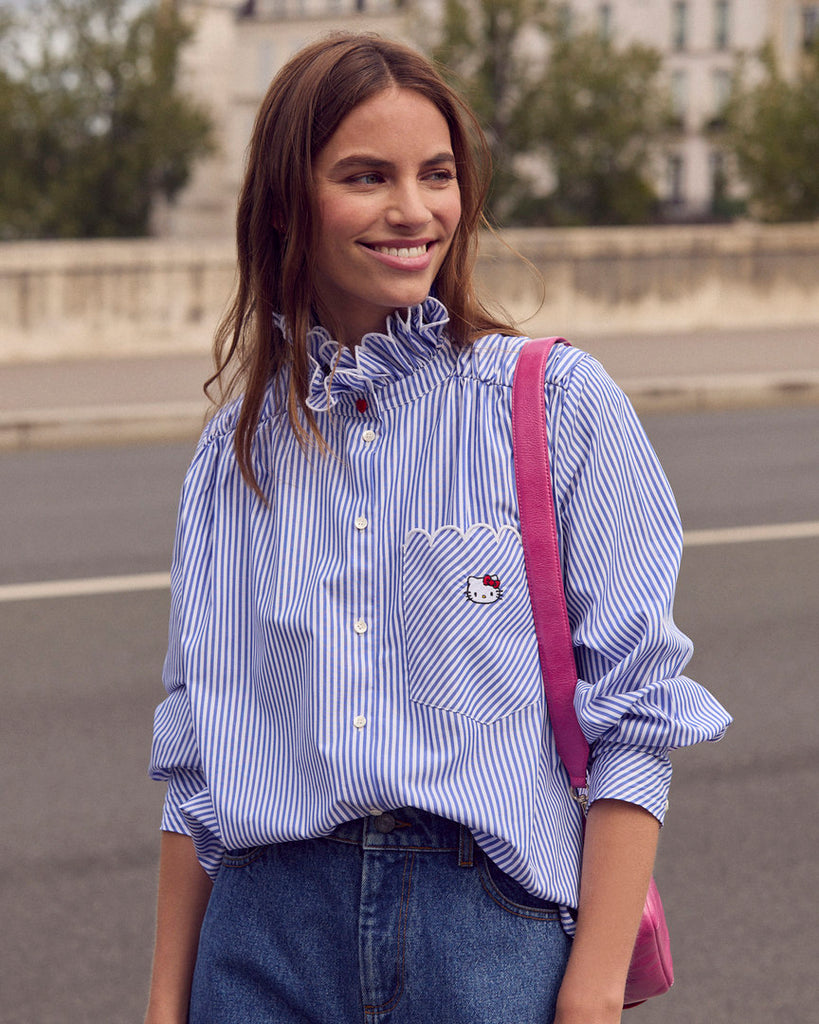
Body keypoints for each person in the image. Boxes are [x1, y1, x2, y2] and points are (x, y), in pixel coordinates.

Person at [145, 33, 731, 1024]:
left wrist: (590, 991)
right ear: (291, 200)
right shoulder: (234, 453)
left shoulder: (558, 406)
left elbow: (636, 715)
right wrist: (165, 1003)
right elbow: (199, 753)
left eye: (438, 174)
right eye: (367, 176)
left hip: (488, 937)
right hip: (263, 943)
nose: (414, 210)